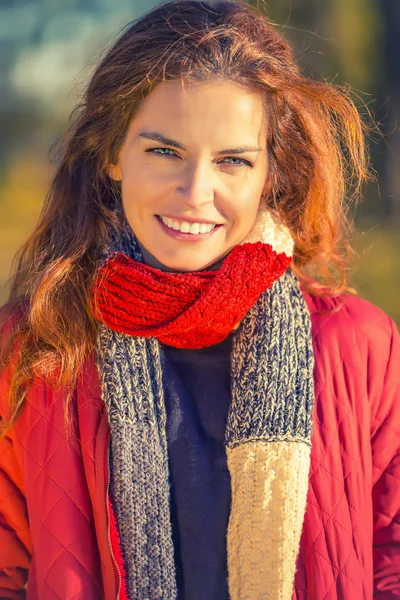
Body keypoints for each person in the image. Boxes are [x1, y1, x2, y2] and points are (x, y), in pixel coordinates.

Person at [1, 0, 399, 598]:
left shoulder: (360, 343)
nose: (195, 192)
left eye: (233, 160)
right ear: (112, 155)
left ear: (270, 172)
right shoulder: (34, 345)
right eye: (164, 151)